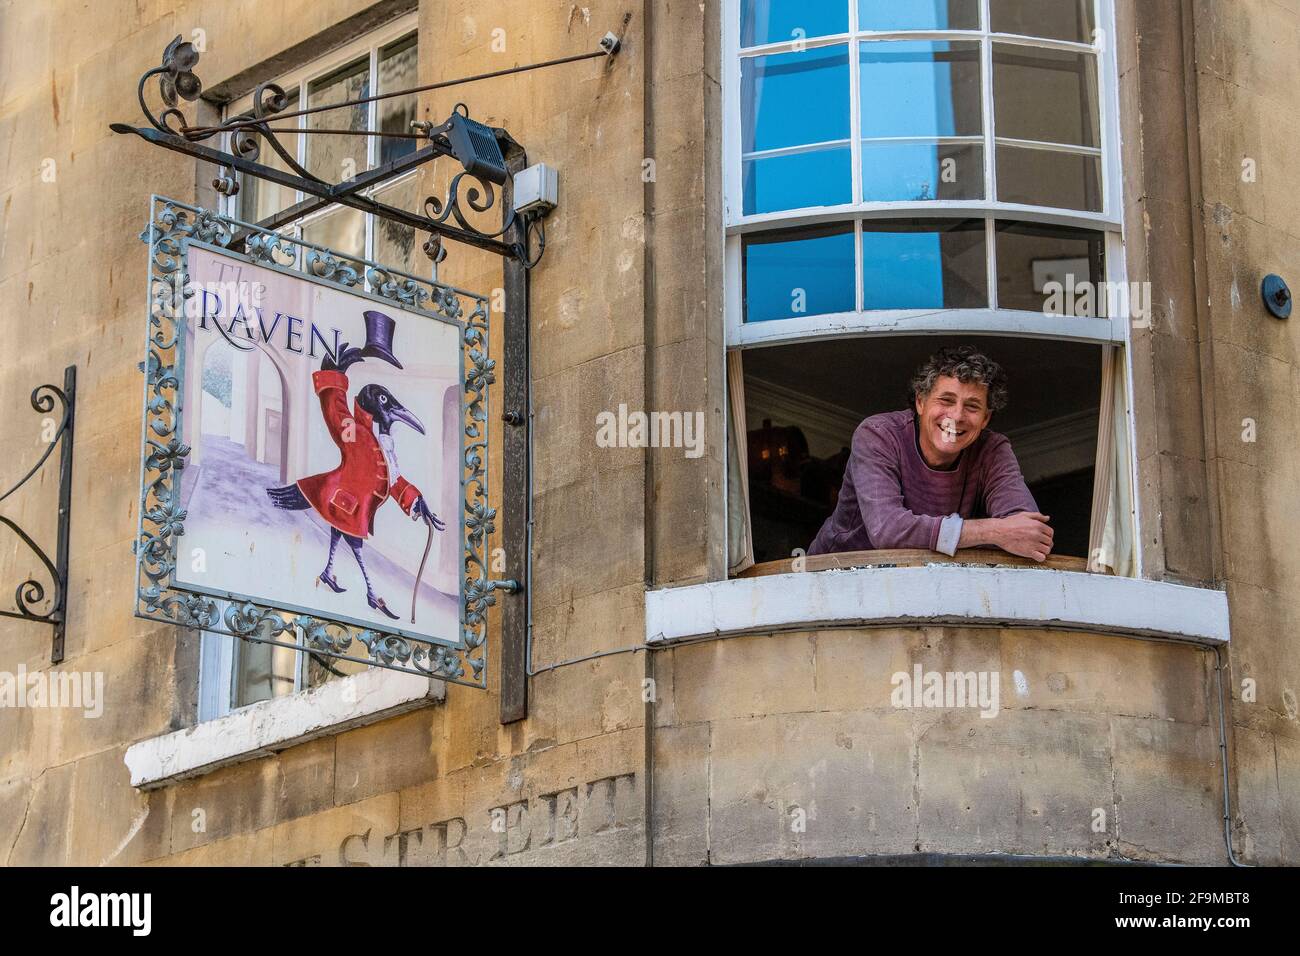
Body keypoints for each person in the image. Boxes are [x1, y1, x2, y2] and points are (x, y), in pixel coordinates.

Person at [808, 345, 1054, 562]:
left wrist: (1009, 533)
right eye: (946, 400)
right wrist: (996, 532)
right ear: (920, 402)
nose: (956, 416)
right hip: (834, 579)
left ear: (985, 418)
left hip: (922, 584)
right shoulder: (879, 434)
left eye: (972, 406)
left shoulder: (992, 450)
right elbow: (888, 530)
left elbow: (1030, 534)